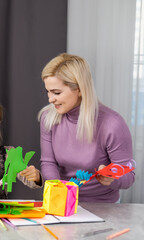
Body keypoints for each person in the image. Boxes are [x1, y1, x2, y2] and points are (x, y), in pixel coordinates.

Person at [38, 53, 135, 203]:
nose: (50, 99)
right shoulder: (48, 117)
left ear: (80, 90)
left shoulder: (112, 124)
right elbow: (48, 162)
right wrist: (58, 193)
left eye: (57, 93)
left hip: (103, 206)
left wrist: (112, 178)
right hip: (62, 202)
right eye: (48, 92)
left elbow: (129, 177)